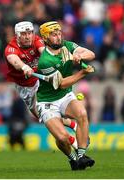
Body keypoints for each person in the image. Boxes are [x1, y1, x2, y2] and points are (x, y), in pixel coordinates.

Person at [4, 21, 77, 145]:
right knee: (42, 117)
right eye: (24, 34)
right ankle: (71, 124)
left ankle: (73, 141)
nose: (28, 36)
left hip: (41, 80)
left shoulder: (36, 40)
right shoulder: (11, 48)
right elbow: (15, 61)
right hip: (25, 87)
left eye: (30, 33)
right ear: (17, 35)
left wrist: (56, 59)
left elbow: (44, 51)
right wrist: (24, 67)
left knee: (46, 114)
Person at [36, 21, 95, 170]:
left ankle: (81, 156)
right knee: (62, 137)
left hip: (65, 96)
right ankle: (73, 159)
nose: (57, 36)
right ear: (45, 39)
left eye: (59, 33)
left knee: (82, 113)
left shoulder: (68, 46)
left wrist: (77, 53)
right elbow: (61, 83)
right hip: (47, 102)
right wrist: (82, 72)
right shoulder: (45, 61)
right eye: (53, 34)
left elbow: (91, 54)